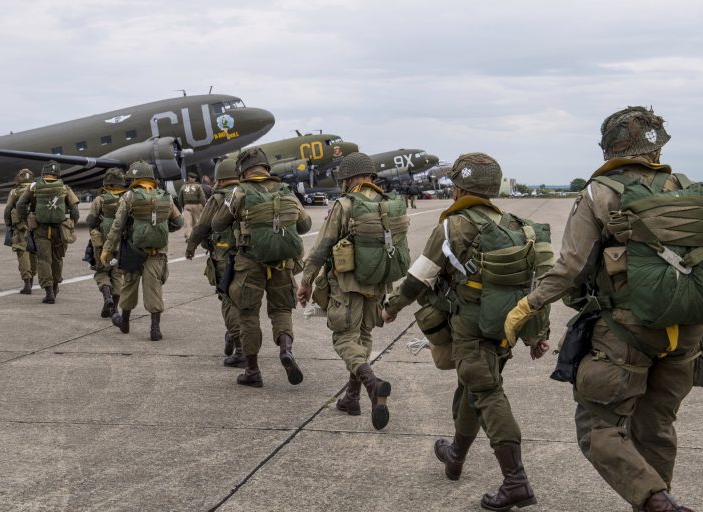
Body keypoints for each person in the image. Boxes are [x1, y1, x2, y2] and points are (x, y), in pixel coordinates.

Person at [503, 107, 703, 512]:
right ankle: (655, 502)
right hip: (690, 332)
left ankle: (655, 500)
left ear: (611, 146)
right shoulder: (691, 188)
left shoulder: (599, 191)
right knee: (656, 427)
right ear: (657, 145)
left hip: (628, 330)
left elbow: (572, 267)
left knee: (597, 428)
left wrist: (528, 304)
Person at [382, 153, 553, 511]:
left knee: (488, 393)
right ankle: (455, 454)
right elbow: (538, 282)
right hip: (505, 327)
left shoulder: (454, 225)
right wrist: (536, 334)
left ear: (460, 187)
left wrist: (391, 306)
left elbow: (420, 276)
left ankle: (516, 481)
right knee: (472, 389)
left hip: (471, 327)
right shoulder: (516, 225)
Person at [297, 152, 411, 430]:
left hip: (347, 284)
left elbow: (323, 245)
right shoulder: (389, 204)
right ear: (372, 177)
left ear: (347, 179)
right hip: (378, 285)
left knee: (344, 338)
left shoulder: (345, 204)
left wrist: (306, 280)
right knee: (363, 336)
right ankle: (352, 396)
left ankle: (371, 384)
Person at [210, 148, 312, 387]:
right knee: (281, 311)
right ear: (266, 167)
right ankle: (286, 350)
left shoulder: (240, 191)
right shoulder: (286, 191)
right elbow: (305, 225)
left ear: (243, 170)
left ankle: (253, 371)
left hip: (249, 264)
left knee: (247, 315)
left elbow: (217, 223)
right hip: (282, 264)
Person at [101, 161, 183, 340]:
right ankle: (155, 328)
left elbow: (117, 226)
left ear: (135, 179)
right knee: (154, 289)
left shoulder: (129, 197)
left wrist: (107, 249)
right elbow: (179, 222)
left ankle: (125, 322)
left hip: (133, 250)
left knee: (129, 285)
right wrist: (162, 228)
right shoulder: (166, 197)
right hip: (157, 253)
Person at [186, 158, 245, 368]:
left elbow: (202, 226)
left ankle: (239, 348)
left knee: (228, 300)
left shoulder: (218, 198)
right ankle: (234, 337)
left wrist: (191, 246)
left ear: (219, 178)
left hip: (224, 257)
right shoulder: (249, 193)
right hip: (249, 256)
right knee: (245, 302)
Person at [15, 160, 80, 304]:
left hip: (40, 229)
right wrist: (72, 224)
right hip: (59, 230)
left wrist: (25, 220)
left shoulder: (34, 186)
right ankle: (56, 287)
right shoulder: (64, 187)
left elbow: (20, 204)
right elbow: (75, 210)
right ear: (57, 174)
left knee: (44, 260)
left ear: (44, 173)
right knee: (57, 259)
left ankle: (49, 291)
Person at [86, 169, 127, 318]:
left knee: (102, 271)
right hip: (122, 244)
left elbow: (90, 221)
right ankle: (114, 309)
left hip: (103, 244)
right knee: (117, 274)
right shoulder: (127, 198)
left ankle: (107, 298)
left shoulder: (100, 199)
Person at [4, 168, 38, 294]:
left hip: (20, 227)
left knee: (22, 252)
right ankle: (32, 279)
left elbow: (8, 209)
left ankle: (27, 282)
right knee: (34, 253)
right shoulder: (37, 189)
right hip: (36, 226)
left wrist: (8, 224)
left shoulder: (14, 192)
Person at [179, 174, 207, 240]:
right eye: (193, 178)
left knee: (187, 222)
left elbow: (180, 198)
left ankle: (188, 236)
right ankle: (196, 236)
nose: (194, 179)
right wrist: (204, 205)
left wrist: (183, 206)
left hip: (187, 205)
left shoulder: (183, 187)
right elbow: (202, 197)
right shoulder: (198, 186)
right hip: (197, 205)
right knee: (196, 221)